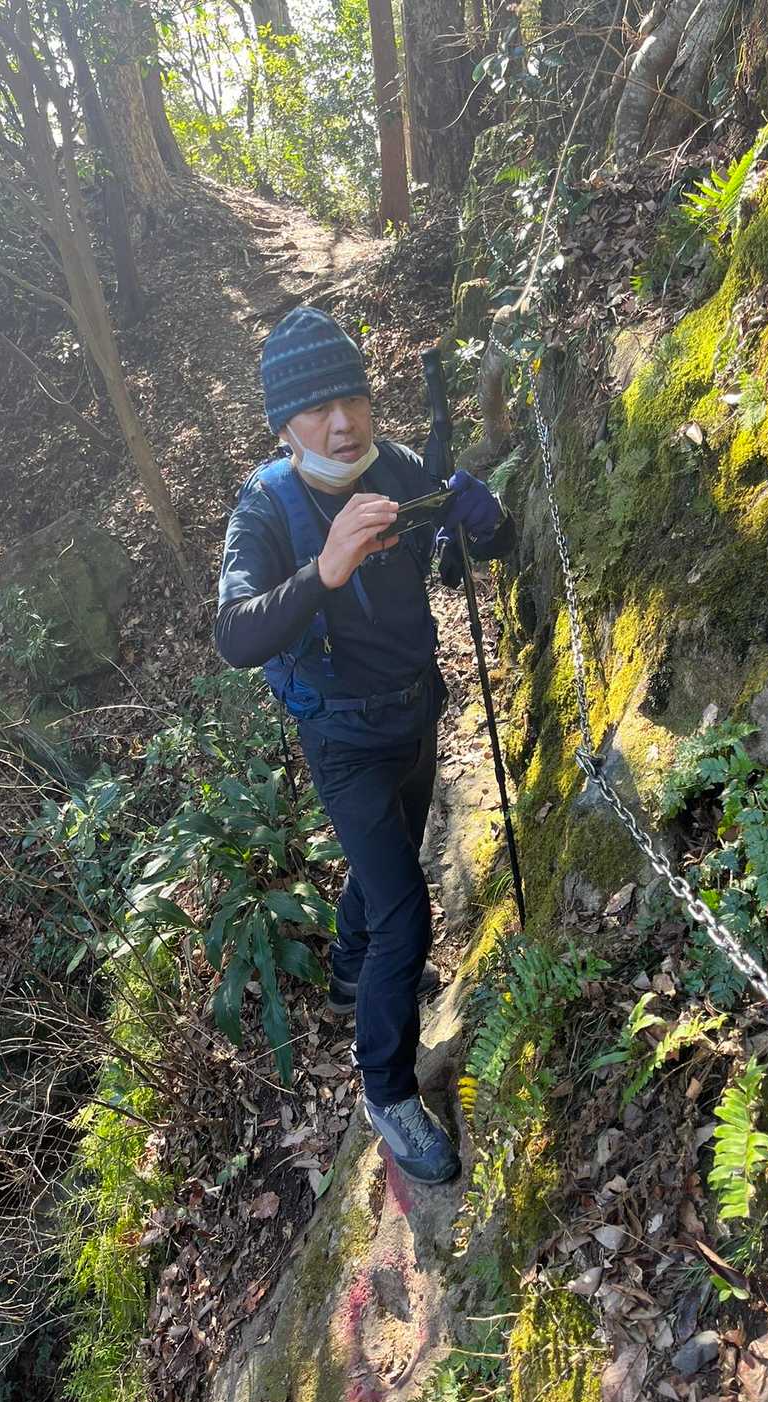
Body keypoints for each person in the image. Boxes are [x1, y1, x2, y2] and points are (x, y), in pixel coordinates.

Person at [215, 306, 515, 1185]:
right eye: (318, 408)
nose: (342, 422)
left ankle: (351, 968)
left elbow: (482, 543)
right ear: (284, 424)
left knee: (392, 861)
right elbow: (235, 633)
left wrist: (484, 518)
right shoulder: (267, 506)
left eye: (353, 398)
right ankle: (386, 1089)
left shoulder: (397, 466)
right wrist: (324, 569)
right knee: (406, 910)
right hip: (341, 738)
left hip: (415, 712)